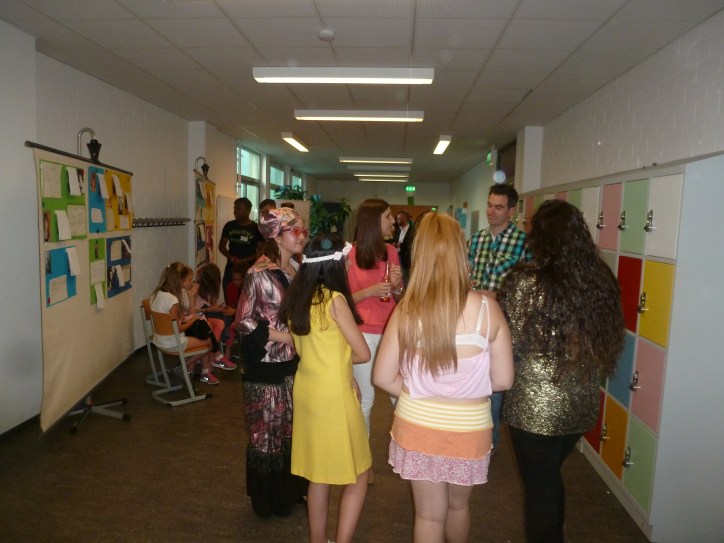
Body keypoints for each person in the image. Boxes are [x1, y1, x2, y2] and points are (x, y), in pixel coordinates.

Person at [373, 213, 514, 543]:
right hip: (469, 427)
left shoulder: (407, 310)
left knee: (428, 515)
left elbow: (382, 376)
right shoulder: (487, 309)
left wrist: (416, 390)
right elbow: (504, 380)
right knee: (458, 507)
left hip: (418, 423)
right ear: (461, 252)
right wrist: (466, 389)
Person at [498, 200, 625, 543]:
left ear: (540, 236)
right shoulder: (599, 279)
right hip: (580, 405)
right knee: (548, 476)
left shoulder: (526, 282)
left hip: (535, 408)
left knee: (540, 485)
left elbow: (510, 341)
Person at [279, 234, 372, 543]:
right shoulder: (335, 301)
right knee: (358, 474)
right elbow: (362, 353)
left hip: (307, 390)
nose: (349, 266)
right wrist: (344, 365)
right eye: (345, 261)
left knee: (318, 476)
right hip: (334, 394)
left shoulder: (297, 298)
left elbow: (304, 347)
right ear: (333, 266)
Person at [235, 208, 308, 518]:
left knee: (289, 429)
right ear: (277, 236)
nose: (302, 236)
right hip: (266, 364)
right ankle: (266, 501)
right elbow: (244, 320)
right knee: (266, 433)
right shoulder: (258, 273)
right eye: (296, 230)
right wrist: (285, 337)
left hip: (292, 363)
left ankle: (287, 493)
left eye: (304, 230)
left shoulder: (295, 268)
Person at [468, 183, 527, 451]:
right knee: (473, 378)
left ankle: (487, 444)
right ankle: (475, 435)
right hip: (475, 320)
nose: (491, 211)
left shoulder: (523, 242)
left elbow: (528, 287)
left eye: (499, 207)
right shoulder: (477, 239)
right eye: (489, 205)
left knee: (494, 387)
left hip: (504, 322)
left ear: (511, 211)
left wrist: (498, 295)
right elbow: (468, 272)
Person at [347, 198, 403, 436]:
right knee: (365, 398)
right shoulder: (350, 254)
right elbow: (340, 301)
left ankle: (408, 448)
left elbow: (397, 295)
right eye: (388, 216)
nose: (393, 221)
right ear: (373, 221)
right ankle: (362, 454)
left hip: (390, 330)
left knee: (400, 394)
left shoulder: (391, 251)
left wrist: (397, 285)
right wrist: (370, 291)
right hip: (362, 332)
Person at [149, 262, 219, 385]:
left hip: (158, 339)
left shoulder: (156, 294)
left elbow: (172, 321)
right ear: (179, 281)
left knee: (202, 332)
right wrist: (193, 320)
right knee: (210, 343)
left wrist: (186, 319)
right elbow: (178, 329)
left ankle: (189, 368)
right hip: (172, 342)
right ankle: (183, 367)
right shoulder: (172, 300)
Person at [219, 197, 264, 299]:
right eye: (235, 208)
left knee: (248, 299)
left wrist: (243, 260)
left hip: (249, 269)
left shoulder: (256, 229)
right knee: (230, 297)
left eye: (239, 209)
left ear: (248, 211)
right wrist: (230, 257)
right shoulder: (229, 225)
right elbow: (221, 246)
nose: (235, 211)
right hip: (231, 268)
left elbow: (260, 251)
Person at [195, 263, 237, 370]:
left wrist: (217, 307)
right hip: (200, 316)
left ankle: (215, 354)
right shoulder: (196, 290)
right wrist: (210, 309)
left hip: (207, 313)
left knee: (226, 319)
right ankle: (215, 354)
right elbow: (193, 311)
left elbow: (211, 306)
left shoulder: (211, 291)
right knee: (224, 322)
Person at [395, 209, 415, 284]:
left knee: (407, 277)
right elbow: (396, 240)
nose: (397, 221)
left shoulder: (412, 230)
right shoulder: (398, 230)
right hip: (398, 256)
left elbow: (411, 244)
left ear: (404, 219)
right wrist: (395, 243)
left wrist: (400, 244)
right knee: (401, 277)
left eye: (399, 219)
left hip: (407, 258)